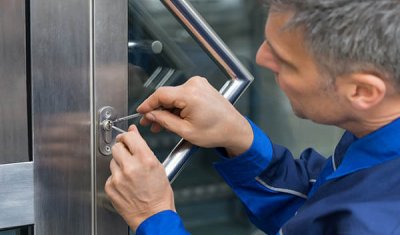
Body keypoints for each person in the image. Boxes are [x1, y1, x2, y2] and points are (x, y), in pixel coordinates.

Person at [105, 0, 400, 234]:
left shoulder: (377, 223)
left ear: (362, 91)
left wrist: (154, 217)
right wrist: (239, 139)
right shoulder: (378, 135)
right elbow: (314, 216)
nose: (260, 58)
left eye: (286, 61)